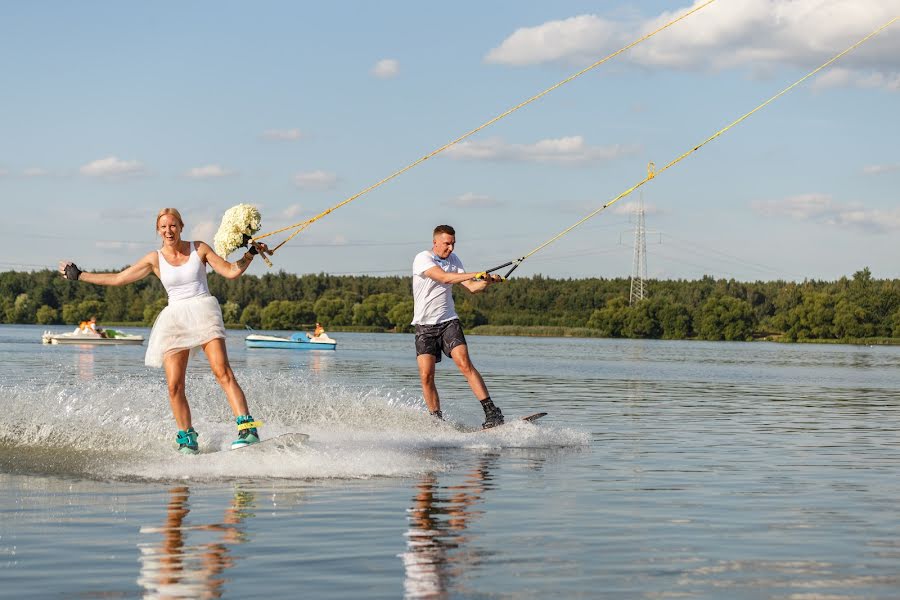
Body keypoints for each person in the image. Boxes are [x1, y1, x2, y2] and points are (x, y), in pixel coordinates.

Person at [59, 207, 271, 454]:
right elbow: (119, 279)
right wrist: (80, 275)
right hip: (175, 319)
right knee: (174, 386)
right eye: (163, 227)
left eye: (173, 226)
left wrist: (251, 254)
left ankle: (248, 429)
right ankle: (187, 439)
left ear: (181, 227)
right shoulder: (154, 259)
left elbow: (230, 271)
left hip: (203, 310)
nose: (169, 231)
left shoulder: (199, 248)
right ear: (158, 231)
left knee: (222, 371)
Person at [411, 224, 504, 428]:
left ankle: (492, 412)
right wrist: (475, 274)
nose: (451, 248)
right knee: (426, 375)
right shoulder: (423, 258)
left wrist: (488, 281)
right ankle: (436, 421)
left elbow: (472, 287)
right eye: (447, 244)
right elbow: (445, 278)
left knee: (464, 363)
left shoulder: (454, 260)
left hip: (448, 321)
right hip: (424, 326)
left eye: (453, 244)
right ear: (435, 242)